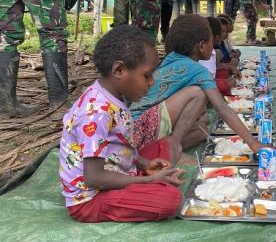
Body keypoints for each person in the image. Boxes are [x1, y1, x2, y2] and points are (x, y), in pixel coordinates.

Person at [60, 25, 183, 223]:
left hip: (117, 169)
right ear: (119, 70)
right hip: (92, 198)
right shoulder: (96, 114)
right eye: (147, 75)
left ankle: (145, 183)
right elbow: (93, 178)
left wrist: (144, 163)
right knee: (172, 200)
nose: (151, 82)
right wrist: (146, 180)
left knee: (171, 145)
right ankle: (148, 187)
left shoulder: (114, 96)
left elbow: (118, 146)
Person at [129, 15, 266, 163]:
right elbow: (222, 108)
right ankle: (173, 148)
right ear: (201, 46)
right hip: (140, 130)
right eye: (211, 43)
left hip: (132, 130)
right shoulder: (199, 71)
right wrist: (253, 143)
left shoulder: (172, 57)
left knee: (202, 130)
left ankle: (157, 150)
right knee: (198, 93)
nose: (213, 47)